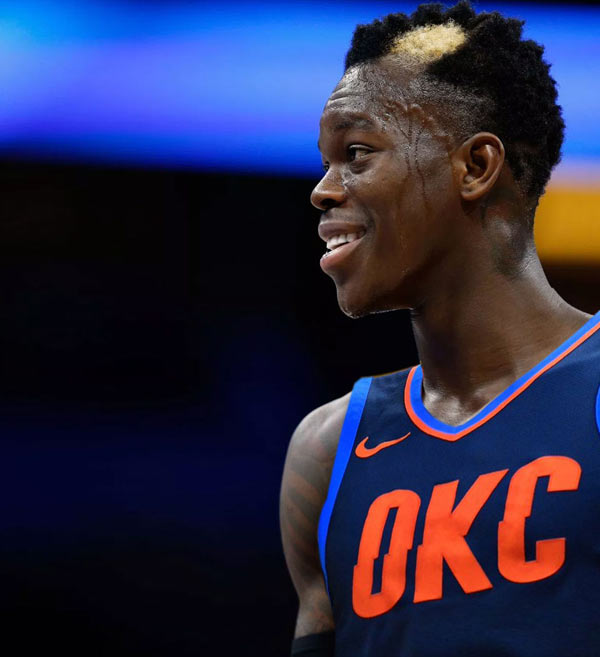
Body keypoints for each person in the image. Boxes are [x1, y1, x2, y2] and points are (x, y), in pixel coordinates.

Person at [280, 1, 600, 655]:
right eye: (326, 161)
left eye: (356, 153)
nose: (323, 189)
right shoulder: (327, 449)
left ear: (475, 166)